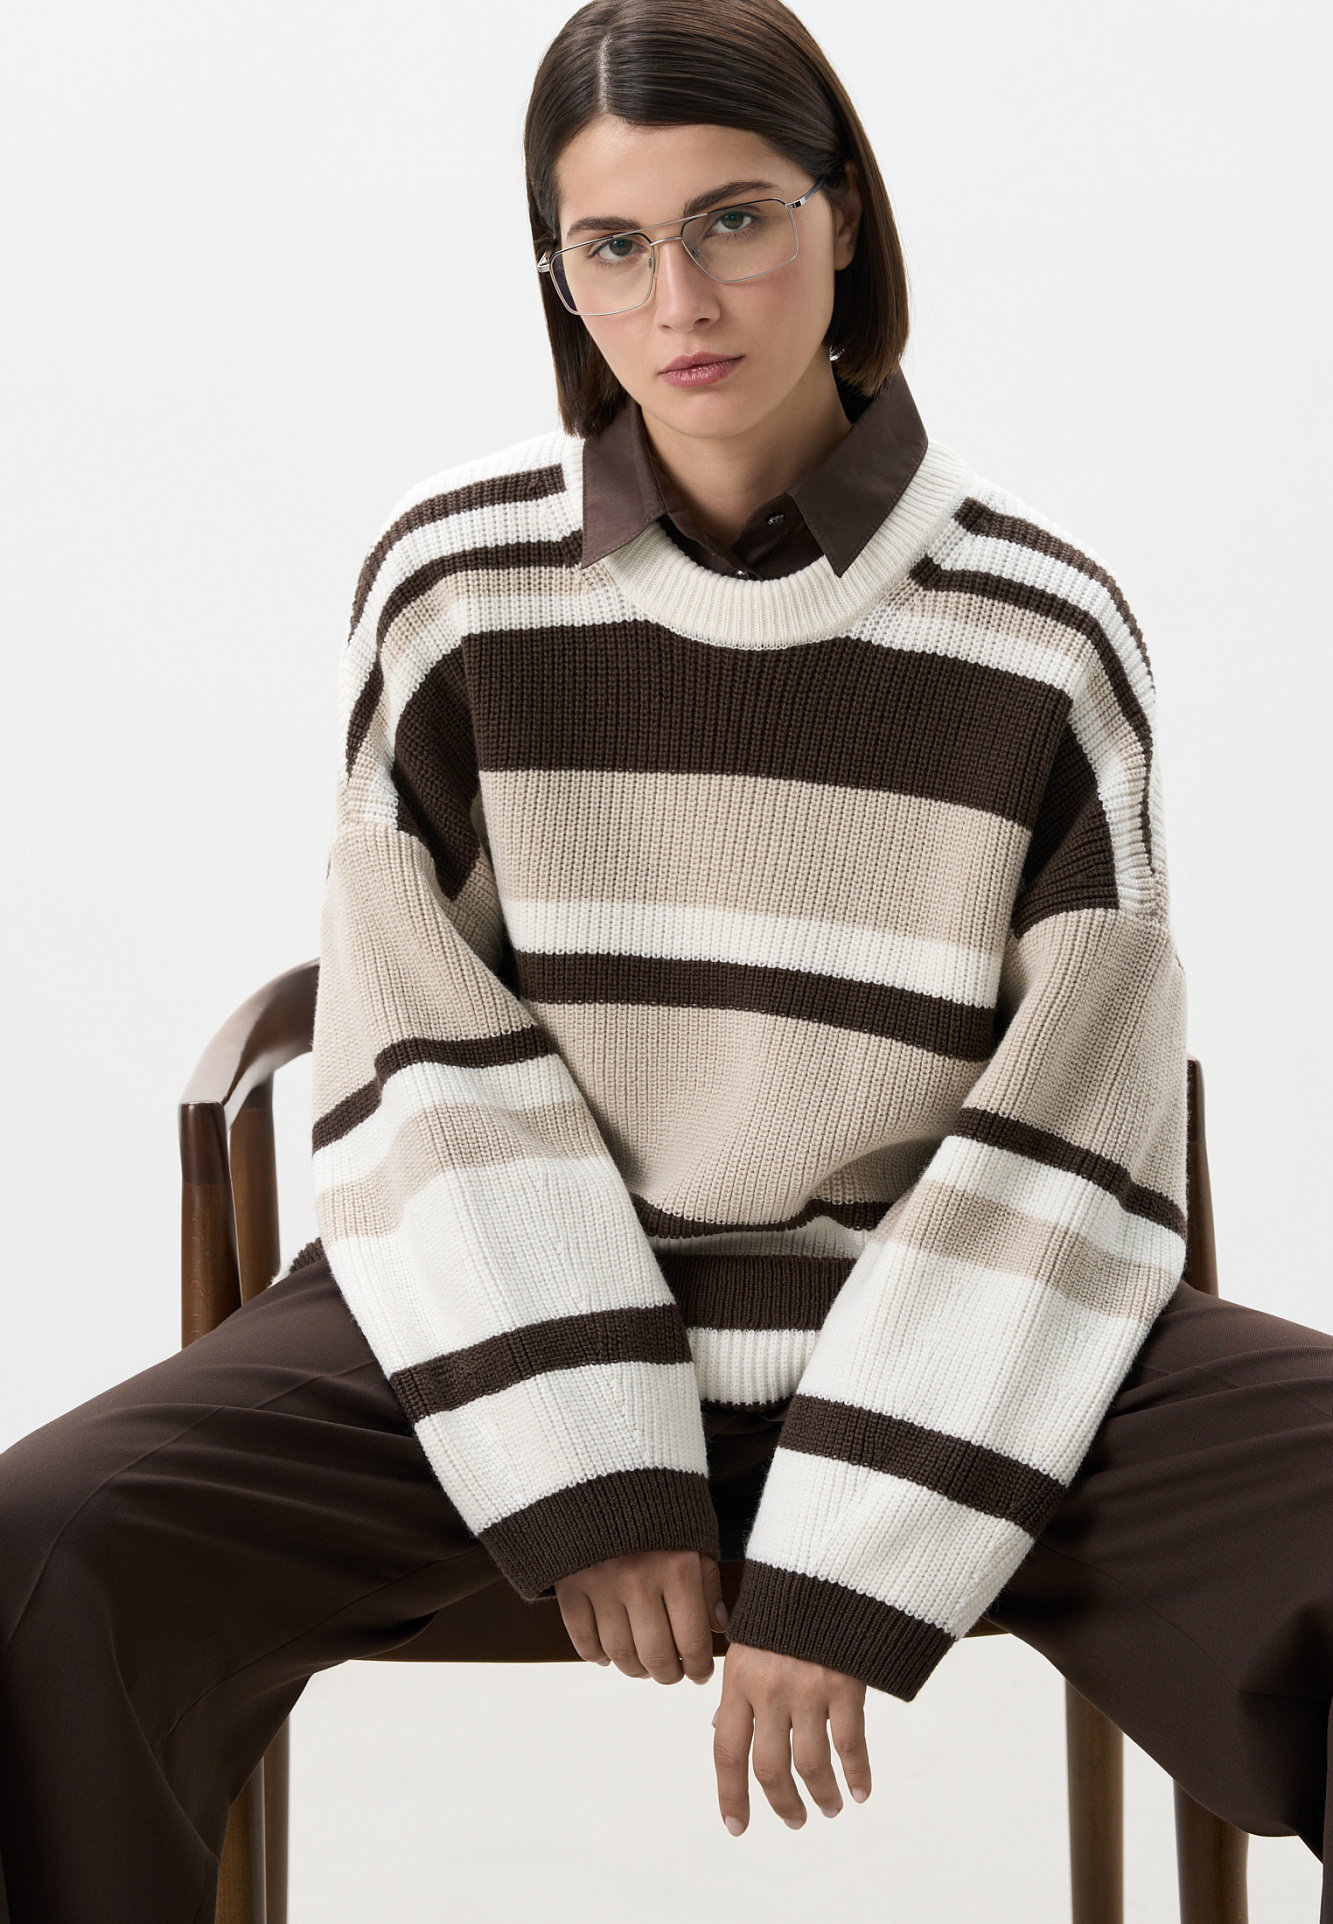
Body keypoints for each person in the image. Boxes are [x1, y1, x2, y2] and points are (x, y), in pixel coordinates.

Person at [4, 1, 1333, 1918]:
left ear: (843, 217)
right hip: (504, 1314)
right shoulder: (454, 586)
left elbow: (1074, 1122)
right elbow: (414, 1058)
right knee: (40, 1558)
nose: (677, 299)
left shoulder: (1040, 628)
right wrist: (597, 1460)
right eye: (611, 244)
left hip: (946, 1330)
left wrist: (854, 1550)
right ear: (554, 269)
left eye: (734, 220)